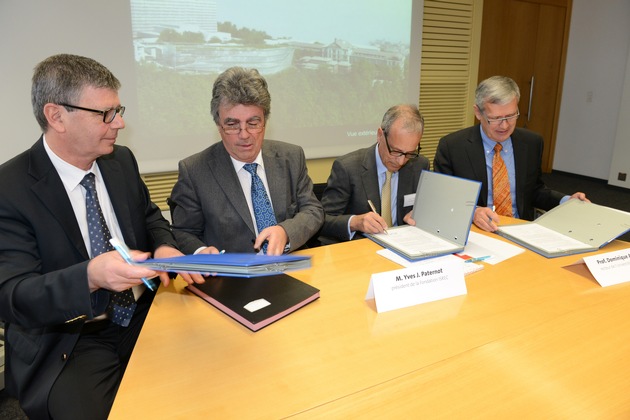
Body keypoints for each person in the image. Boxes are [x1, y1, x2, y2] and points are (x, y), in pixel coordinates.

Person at [0, 54, 204, 420]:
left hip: (144, 313)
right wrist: (90, 277)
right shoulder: (9, 187)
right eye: (105, 113)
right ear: (56, 116)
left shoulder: (120, 161)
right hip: (70, 338)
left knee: (213, 380)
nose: (120, 123)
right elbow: (13, 297)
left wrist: (165, 245)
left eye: (118, 109)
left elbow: (150, 216)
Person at [170, 67, 324, 256]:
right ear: (219, 125)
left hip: (292, 266)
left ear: (265, 122)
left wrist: (285, 231)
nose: (244, 135)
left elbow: (313, 210)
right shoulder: (194, 171)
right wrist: (201, 251)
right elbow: (183, 232)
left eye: (252, 123)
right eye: (232, 124)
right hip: (233, 278)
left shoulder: (291, 156)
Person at [433, 75, 588, 232]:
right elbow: (442, 198)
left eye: (511, 116)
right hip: (476, 231)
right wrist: (473, 212)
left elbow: (533, 190)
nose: (505, 125)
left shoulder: (531, 143)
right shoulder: (453, 147)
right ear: (478, 113)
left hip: (521, 230)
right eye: (496, 118)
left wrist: (566, 201)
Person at [319, 104, 429, 243]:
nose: (401, 161)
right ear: (380, 135)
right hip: (362, 250)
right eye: (395, 151)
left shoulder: (419, 165)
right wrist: (355, 222)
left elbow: (427, 208)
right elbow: (321, 221)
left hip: (405, 247)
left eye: (409, 153)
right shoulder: (348, 168)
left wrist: (421, 215)